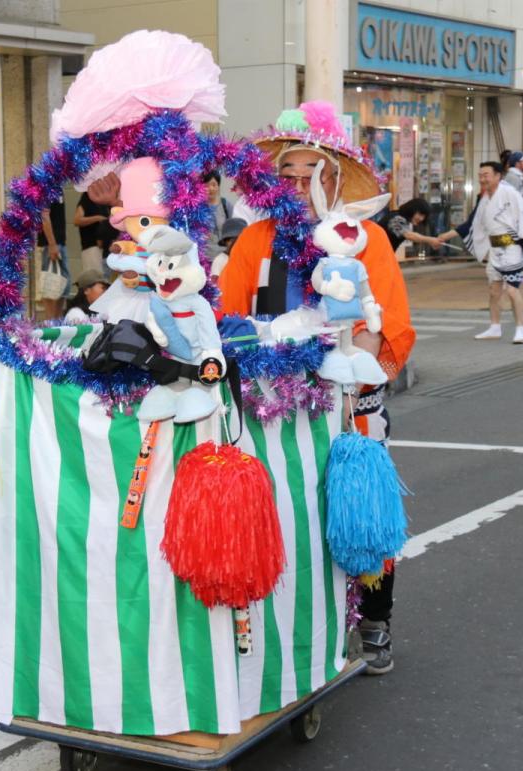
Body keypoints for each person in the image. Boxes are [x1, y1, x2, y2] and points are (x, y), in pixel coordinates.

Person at [218, 100, 415, 675]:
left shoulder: (365, 238)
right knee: (284, 515)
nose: (300, 185)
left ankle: (374, 619)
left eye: (313, 173)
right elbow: (228, 317)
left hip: (347, 399)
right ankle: (292, 630)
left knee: (359, 511)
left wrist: (351, 374)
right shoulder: (256, 239)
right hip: (270, 404)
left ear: (335, 179)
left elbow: (385, 322)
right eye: (289, 173)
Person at [470, 161, 523, 344]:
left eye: (486, 175)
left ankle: (520, 329)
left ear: (498, 176)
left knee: (513, 290)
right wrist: (483, 247)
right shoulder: (485, 198)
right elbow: (478, 224)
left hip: (512, 247)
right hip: (495, 248)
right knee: (494, 290)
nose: (482, 179)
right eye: (480, 175)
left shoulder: (509, 193)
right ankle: (494, 327)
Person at [38, 198, 69, 320]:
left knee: (63, 285)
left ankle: (57, 320)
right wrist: (52, 244)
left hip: (59, 243)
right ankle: (51, 321)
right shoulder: (47, 190)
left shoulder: (58, 189)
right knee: (51, 282)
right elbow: (44, 216)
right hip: (51, 244)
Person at [73, 191, 114, 278]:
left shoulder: (107, 199)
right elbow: (77, 220)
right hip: (92, 247)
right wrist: (97, 218)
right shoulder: (87, 198)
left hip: (107, 248)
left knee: (105, 279)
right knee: (94, 279)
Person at [202, 170, 234, 260]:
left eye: (214, 185)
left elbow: (234, 232)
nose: (210, 188)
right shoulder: (199, 208)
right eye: (206, 186)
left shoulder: (226, 205)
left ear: (218, 186)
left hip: (224, 257)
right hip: (205, 257)